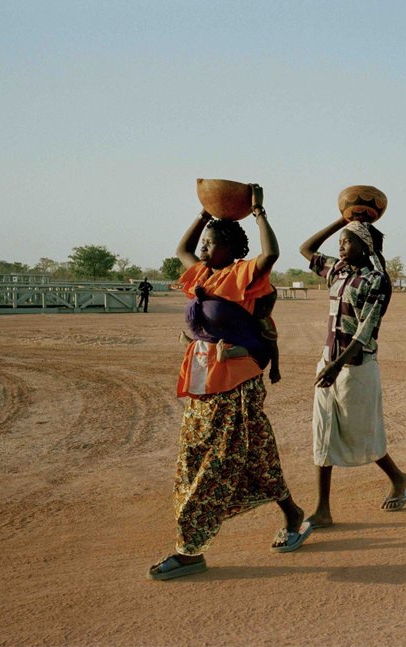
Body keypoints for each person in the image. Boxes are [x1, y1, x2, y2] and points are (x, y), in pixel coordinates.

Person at [149, 185, 310, 581]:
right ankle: (292, 512)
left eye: (211, 243)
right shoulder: (200, 274)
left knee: (210, 465)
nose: (203, 249)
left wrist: (258, 213)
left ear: (232, 250)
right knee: (250, 455)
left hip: (236, 383)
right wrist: (205, 213)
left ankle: (190, 549)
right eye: (204, 243)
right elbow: (180, 250)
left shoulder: (243, 276)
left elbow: (270, 253)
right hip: (204, 380)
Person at [299, 206, 406, 528]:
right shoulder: (337, 271)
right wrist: (341, 220)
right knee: (322, 433)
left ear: (365, 247)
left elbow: (366, 331)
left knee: (361, 432)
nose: (340, 247)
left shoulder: (376, 281)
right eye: (339, 243)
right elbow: (306, 249)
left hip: (356, 368)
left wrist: (337, 365)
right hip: (329, 362)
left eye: (346, 242)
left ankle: (399, 477)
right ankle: (323, 509)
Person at [215, 289, 281, 384]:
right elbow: (273, 346)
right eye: (262, 305)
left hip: (253, 357)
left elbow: (272, 346)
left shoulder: (264, 321)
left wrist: (275, 369)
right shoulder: (247, 315)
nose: (265, 310)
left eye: (269, 306)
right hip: (245, 356)